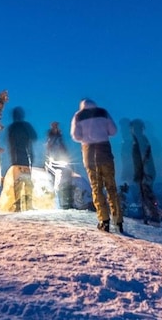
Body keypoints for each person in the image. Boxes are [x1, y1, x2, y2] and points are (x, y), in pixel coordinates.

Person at [70, 98, 122, 233]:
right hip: (105, 152)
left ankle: (104, 221)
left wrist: (86, 137)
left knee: (96, 188)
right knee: (111, 187)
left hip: (89, 153)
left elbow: (76, 136)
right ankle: (118, 220)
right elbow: (113, 131)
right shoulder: (103, 112)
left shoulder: (78, 115)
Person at [4, 107, 38, 211]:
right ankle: (28, 205)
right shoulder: (25, 126)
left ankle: (18, 207)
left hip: (15, 160)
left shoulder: (11, 128)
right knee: (27, 183)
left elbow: (9, 142)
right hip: (26, 158)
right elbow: (34, 137)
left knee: (18, 184)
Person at [130, 119, 162, 224]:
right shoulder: (140, 140)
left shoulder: (141, 141)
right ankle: (151, 214)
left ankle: (153, 215)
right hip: (144, 171)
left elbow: (144, 158)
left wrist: (143, 173)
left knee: (146, 193)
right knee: (145, 193)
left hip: (145, 172)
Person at [45, 121, 74, 209]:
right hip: (54, 161)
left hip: (60, 160)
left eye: (56, 126)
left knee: (64, 181)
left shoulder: (59, 137)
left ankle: (65, 202)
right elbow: (49, 148)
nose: (56, 128)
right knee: (54, 181)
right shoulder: (51, 137)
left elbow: (63, 147)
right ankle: (56, 202)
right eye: (54, 126)